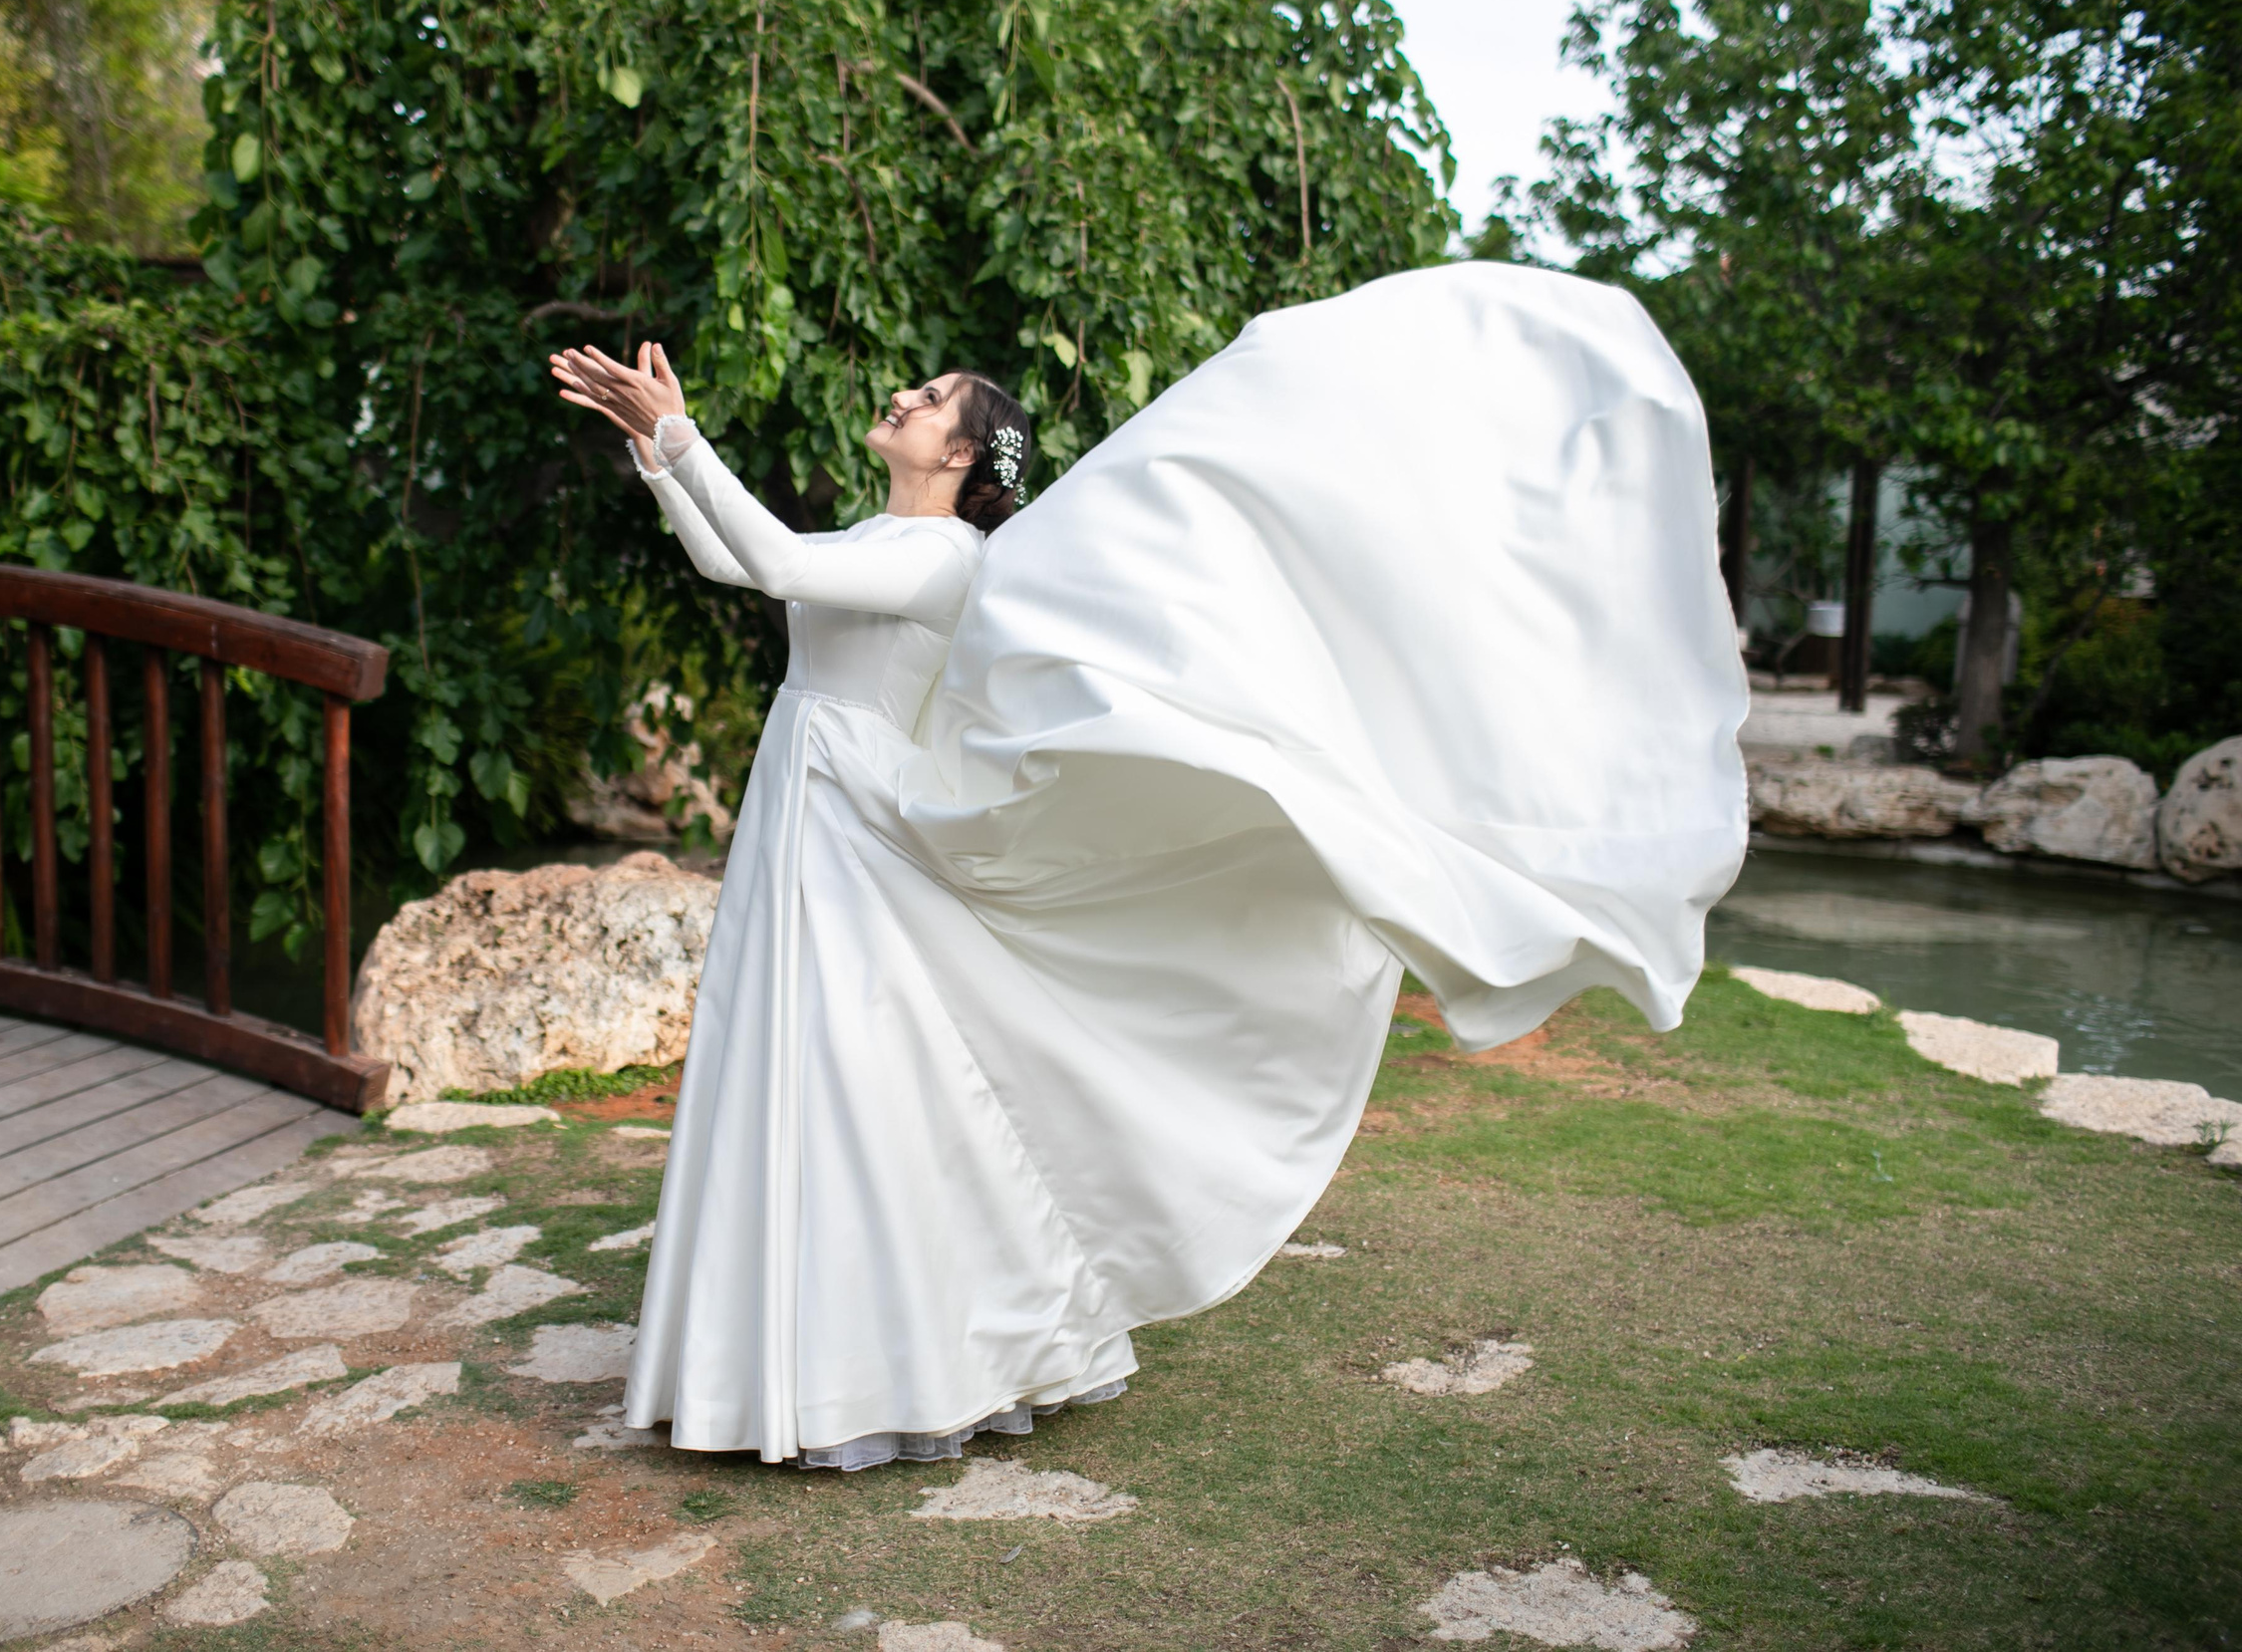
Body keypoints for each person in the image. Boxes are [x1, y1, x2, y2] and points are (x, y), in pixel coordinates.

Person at [550, 261, 1749, 1471]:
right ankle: (787, 1358)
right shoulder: (876, 535)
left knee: (852, 1073)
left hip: (857, 818)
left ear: (965, 457)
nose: (905, 397)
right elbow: (734, 560)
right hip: (808, 790)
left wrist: (682, 436)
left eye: (931, 398)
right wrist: (657, 452)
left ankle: (900, 1355)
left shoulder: (944, 563)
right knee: (805, 1065)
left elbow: (776, 565)